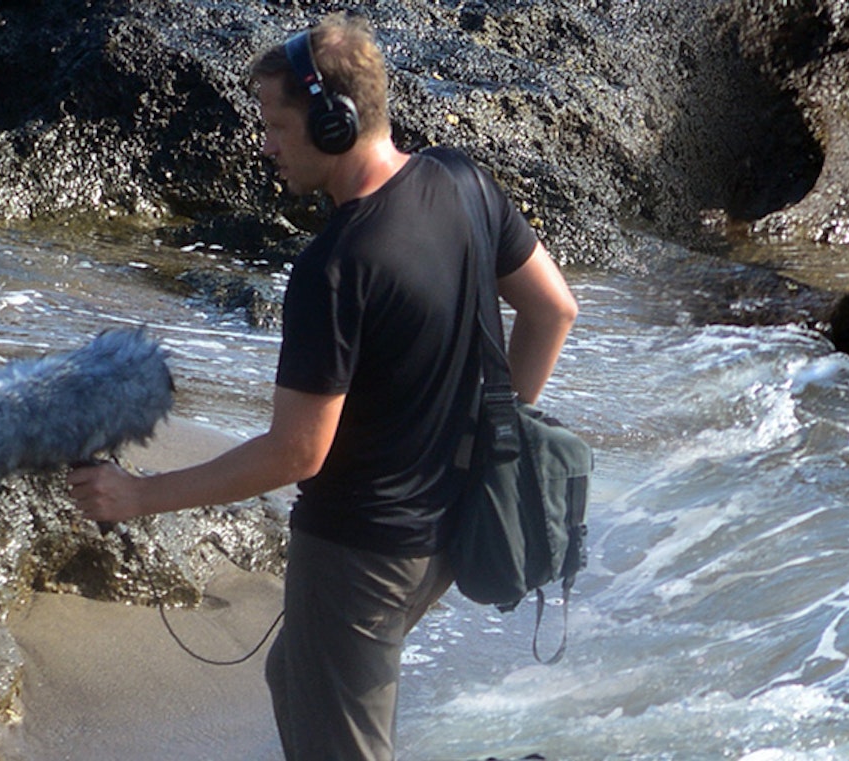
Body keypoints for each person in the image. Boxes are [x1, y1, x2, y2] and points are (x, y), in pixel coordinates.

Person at [65, 13, 577, 761]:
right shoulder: (463, 182)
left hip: (362, 551)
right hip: (451, 524)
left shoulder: (335, 267)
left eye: (277, 124)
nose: (266, 143)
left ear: (334, 122)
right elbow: (553, 308)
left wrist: (139, 495)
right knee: (296, 675)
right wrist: (491, 439)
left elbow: (297, 452)